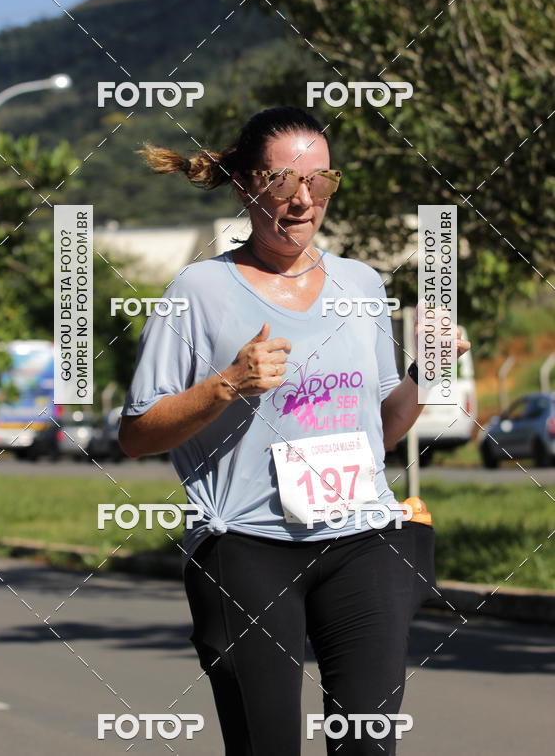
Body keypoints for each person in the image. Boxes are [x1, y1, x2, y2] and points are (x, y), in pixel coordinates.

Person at [118, 106, 471, 756]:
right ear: (248, 185)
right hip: (246, 546)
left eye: (320, 181)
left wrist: (429, 371)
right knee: (267, 744)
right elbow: (136, 434)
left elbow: (381, 431)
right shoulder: (198, 290)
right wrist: (228, 383)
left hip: (362, 539)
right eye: (283, 181)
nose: (304, 199)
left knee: (366, 744)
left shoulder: (361, 283)